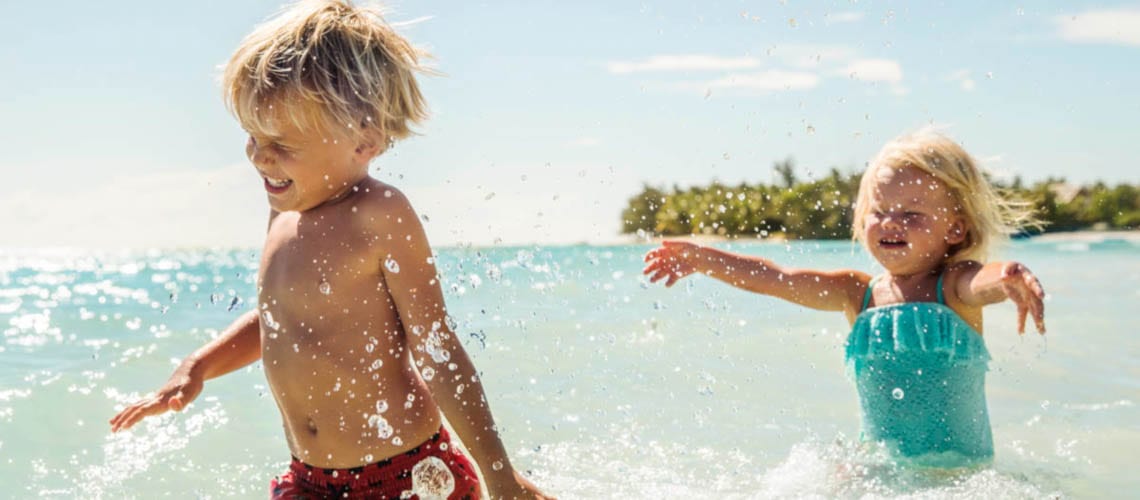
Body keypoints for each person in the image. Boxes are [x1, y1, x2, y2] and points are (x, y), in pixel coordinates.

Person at [108, 2, 552, 498]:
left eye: (283, 143)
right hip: (309, 480)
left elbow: (436, 348)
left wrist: (497, 472)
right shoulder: (285, 208)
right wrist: (198, 367)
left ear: (365, 141)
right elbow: (281, 318)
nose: (261, 156)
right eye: (253, 136)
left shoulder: (379, 213)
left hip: (404, 474)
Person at [642, 127, 1045, 465]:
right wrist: (704, 258)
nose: (891, 222)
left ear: (955, 230)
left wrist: (1006, 278)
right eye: (880, 210)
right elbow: (777, 277)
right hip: (882, 475)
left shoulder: (953, 287)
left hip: (959, 478)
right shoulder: (858, 294)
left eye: (911, 214)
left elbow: (980, 283)